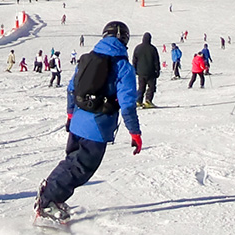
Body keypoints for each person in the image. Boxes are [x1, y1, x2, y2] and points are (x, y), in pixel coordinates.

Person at [35, 21, 142, 223]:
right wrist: (135, 133)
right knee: (81, 168)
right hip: (97, 126)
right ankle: (48, 200)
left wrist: (70, 115)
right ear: (125, 40)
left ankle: (51, 195)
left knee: (72, 161)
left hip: (78, 120)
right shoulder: (123, 66)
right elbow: (128, 104)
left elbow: (70, 89)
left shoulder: (87, 58)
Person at [131, 32, 160, 108]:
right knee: (151, 87)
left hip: (141, 72)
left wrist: (135, 69)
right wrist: (157, 70)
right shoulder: (152, 49)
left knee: (141, 87)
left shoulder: (138, 48)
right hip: (151, 72)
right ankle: (148, 101)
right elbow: (156, 61)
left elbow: (134, 60)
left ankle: (138, 101)